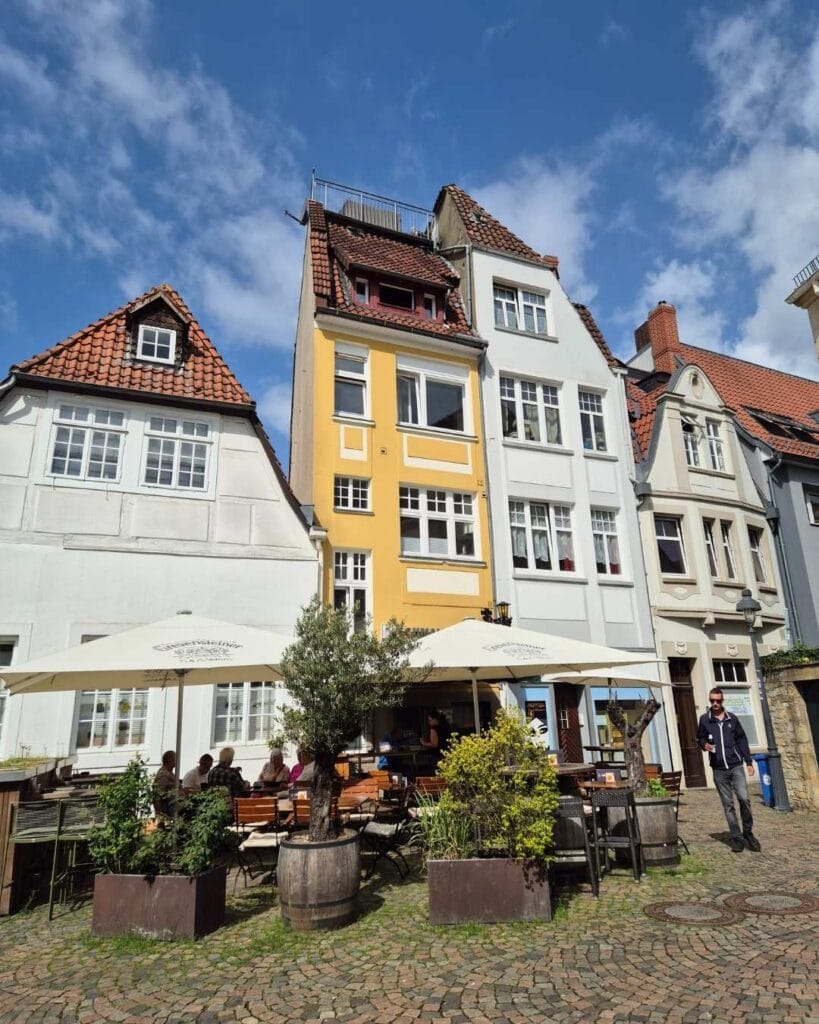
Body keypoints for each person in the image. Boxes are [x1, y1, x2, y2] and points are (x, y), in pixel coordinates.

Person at [696, 687, 761, 853]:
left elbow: (742, 740)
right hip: (718, 769)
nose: (715, 703)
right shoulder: (705, 719)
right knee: (728, 805)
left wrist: (748, 762)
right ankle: (737, 837)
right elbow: (700, 738)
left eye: (718, 701)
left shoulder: (732, 718)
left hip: (736, 766)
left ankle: (748, 832)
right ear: (710, 701)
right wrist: (704, 745)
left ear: (722, 701)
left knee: (744, 799)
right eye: (712, 701)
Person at [153, 750, 177, 816]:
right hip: (168, 812)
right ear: (169, 759)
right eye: (175, 758)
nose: (177, 760)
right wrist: (160, 815)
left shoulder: (171, 773)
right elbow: (157, 795)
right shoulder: (163, 775)